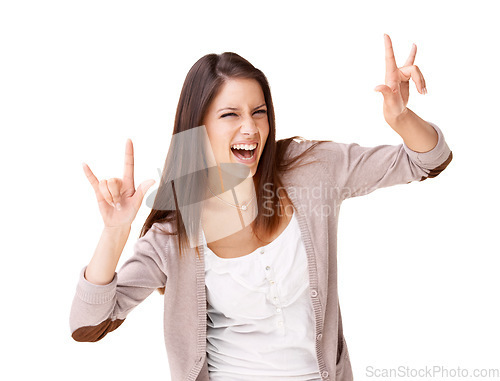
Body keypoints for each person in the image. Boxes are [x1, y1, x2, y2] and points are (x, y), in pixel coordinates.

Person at [69, 34, 453, 381]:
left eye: (259, 111)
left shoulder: (310, 170)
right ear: (196, 127)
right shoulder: (176, 232)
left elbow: (428, 160)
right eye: (230, 114)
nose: (251, 128)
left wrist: (401, 118)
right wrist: (116, 230)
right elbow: (88, 325)